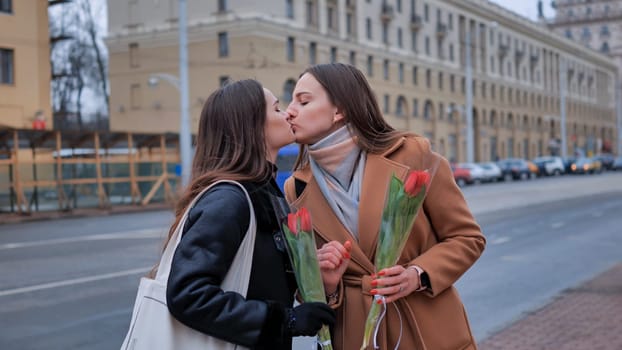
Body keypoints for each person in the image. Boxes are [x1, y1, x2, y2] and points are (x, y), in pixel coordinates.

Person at [283, 64, 486, 350]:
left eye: (303, 101)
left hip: (425, 330)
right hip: (354, 336)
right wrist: (326, 284)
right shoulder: (297, 187)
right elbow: (308, 290)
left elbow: (467, 238)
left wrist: (417, 275)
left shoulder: (412, 155)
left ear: (339, 110)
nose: (290, 110)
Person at [164, 79, 335, 350]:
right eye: (277, 109)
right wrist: (286, 321)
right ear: (253, 125)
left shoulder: (266, 193)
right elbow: (187, 294)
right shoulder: (230, 200)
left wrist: (317, 276)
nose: (288, 113)